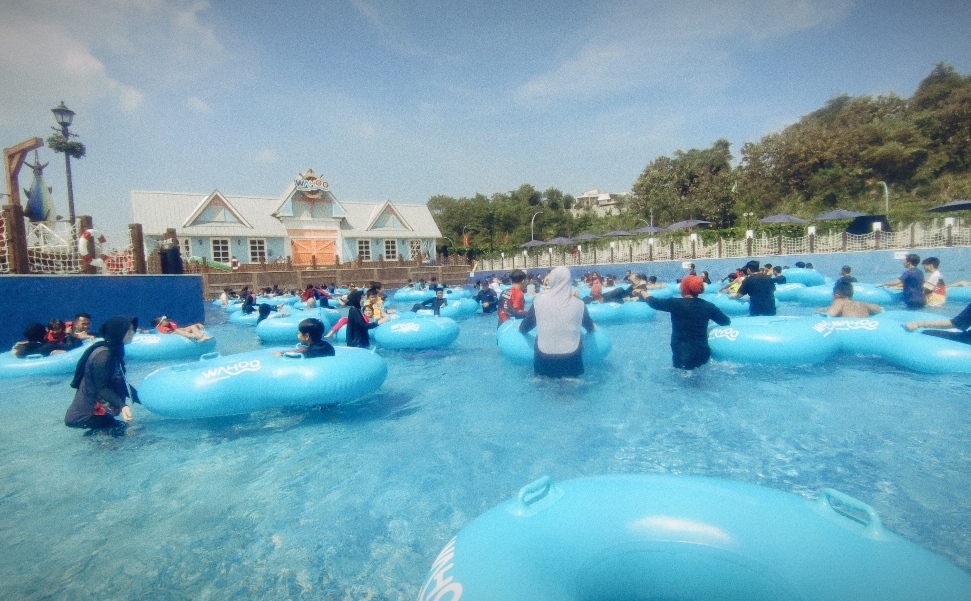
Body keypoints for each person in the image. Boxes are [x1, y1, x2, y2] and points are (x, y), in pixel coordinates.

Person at [637, 275, 730, 370]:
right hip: (702, 351)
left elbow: (653, 302)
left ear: (683, 288)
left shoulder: (674, 303)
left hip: (681, 353)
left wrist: (642, 291)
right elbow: (725, 321)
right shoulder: (708, 306)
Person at [64, 316, 138, 432]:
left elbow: (121, 383)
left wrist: (142, 398)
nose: (132, 333)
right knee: (130, 435)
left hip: (99, 416)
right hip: (86, 416)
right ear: (117, 331)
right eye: (128, 330)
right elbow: (103, 387)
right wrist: (122, 406)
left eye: (133, 329)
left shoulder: (114, 350)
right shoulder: (103, 355)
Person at [519, 266, 595, 378]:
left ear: (553, 280)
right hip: (572, 359)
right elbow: (590, 328)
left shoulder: (539, 303)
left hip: (544, 359)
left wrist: (518, 327)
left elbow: (524, 328)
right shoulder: (580, 304)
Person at [904, 303, 971, 345]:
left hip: (967, 339)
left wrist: (920, 324)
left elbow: (954, 323)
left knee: (926, 333)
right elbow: (957, 323)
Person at [816, 280, 883, 318]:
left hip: (850, 333)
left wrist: (820, 311)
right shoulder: (862, 304)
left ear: (836, 295)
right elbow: (879, 309)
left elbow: (829, 315)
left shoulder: (839, 301)